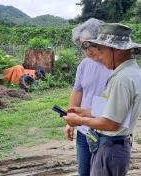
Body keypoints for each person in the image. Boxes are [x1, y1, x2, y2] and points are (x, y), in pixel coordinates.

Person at [64, 23, 141, 176]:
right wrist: (84, 112)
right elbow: (113, 109)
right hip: (111, 145)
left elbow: (111, 123)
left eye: (101, 50)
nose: (97, 54)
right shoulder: (131, 72)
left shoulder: (122, 79)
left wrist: (79, 121)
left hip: (110, 147)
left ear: (117, 50)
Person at [64, 18, 112, 176]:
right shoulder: (84, 65)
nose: (89, 50)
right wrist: (71, 121)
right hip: (85, 131)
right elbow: (77, 91)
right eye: (84, 46)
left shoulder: (115, 66)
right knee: (83, 172)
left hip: (107, 133)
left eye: (92, 44)